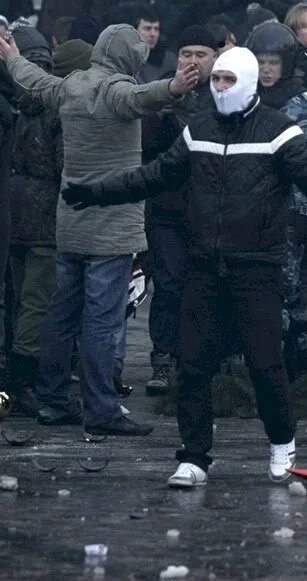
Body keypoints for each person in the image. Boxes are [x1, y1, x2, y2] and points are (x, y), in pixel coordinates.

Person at [59, 47, 307, 488]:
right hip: (204, 266)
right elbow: (155, 175)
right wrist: (96, 192)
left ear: (249, 82)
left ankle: (282, 444)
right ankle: (195, 456)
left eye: (227, 81)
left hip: (257, 267)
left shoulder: (278, 131)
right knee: (193, 365)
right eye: (215, 80)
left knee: (265, 363)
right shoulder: (196, 128)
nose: (219, 89)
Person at [0, 24, 200, 435]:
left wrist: (10, 57)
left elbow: (35, 80)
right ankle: (102, 410)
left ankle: (53, 401)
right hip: (111, 227)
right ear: (127, 59)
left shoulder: (71, 86)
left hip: (70, 222)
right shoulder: (115, 91)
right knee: (102, 322)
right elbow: (140, 97)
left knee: (61, 315)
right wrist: (175, 87)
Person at [247, 21, 307, 387]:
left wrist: (301, 215)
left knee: (286, 297)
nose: (267, 69)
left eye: (273, 61)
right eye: (261, 61)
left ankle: (292, 367)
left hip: (290, 222)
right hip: (246, 218)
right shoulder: (242, 102)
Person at [141, 25, 219, 397]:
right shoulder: (160, 93)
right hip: (168, 209)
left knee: (206, 287)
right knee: (169, 286)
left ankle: (204, 359)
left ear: (214, 58)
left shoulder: (223, 93)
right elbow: (147, 149)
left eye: (200, 55)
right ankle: (163, 360)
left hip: (211, 211)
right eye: (186, 54)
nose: (191, 61)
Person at [6, 24, 63, 417]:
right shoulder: (54, 106)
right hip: (44, 217)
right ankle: (22, 380)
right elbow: (62, 166)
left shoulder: (13, 104)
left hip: (13, 213)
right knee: (36, 302)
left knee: (17, 297)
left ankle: (17, 375)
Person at [134, 5, 177, 84]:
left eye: (156, 29)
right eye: (147, 28)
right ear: (135, 31)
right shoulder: (124, 60)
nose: (153, 34)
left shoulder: (170, 60)